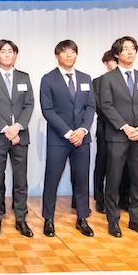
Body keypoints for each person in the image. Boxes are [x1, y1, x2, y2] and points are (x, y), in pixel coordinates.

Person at [97, 36, 138, 238]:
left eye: (133, 48)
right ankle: (113, 221)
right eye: (125, 49)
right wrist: (124, 127)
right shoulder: (107, 79)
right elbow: (106, 106)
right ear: (116, 54)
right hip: (118, 136)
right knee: (113, 180)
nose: (130, 52)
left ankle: (136, 220)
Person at [39, 39, 96, 237]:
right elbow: (47, 110)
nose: (69, 55)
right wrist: (68, 132)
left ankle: (82, 218)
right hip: (59, 139)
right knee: (52, 179)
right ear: (57, 56)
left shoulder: (86, 78)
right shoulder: (48, 79)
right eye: (64, 52)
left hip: (82, 138)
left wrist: (83, 130)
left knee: (82, 179)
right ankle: (48, 219)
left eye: (72, 51)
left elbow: (91, 106)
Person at [0, 39, 34, 239]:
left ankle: (21, 219)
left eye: (10, 51)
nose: (6, 54)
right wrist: (6, 129)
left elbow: (29, 105)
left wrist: (17, 127)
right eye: (2, 51)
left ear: (15, 55)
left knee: (21, 181)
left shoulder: (24, 77)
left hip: (20, 136)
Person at [93, 50, 129, 216]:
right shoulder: (98, 81)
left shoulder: (128, 80)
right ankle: (100, 198)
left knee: (124, 166)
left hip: (126, 130)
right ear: (106, 63)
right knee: (102, 164)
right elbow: (100, 106)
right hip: (105, 128)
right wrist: (118, 121)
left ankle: (123, 198)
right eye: (113, 60)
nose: (116, 63)